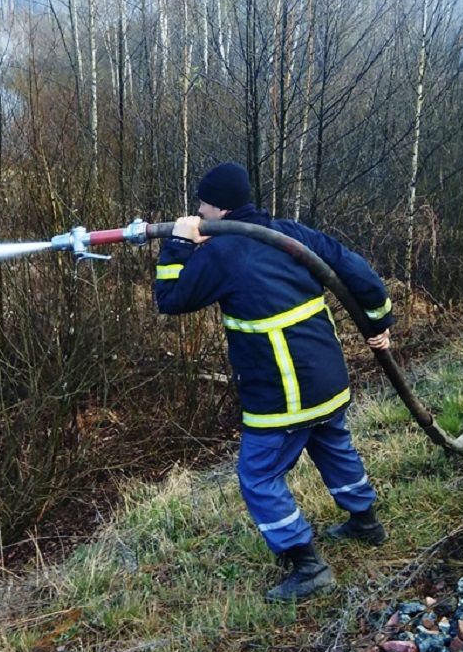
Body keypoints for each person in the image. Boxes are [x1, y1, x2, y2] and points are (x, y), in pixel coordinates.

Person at [153, 161, 394, 602]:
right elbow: (355, 269)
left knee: (258, 475)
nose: (198, 211)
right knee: (332, 444)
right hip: (326, 377)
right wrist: (380, 321)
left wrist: (178, 245)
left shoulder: (223, 254)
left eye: (202, 204)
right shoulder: (291, 233)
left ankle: (307, 565)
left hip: (284, 390)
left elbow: (171, 299)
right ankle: (366, 522)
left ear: (220, 209)